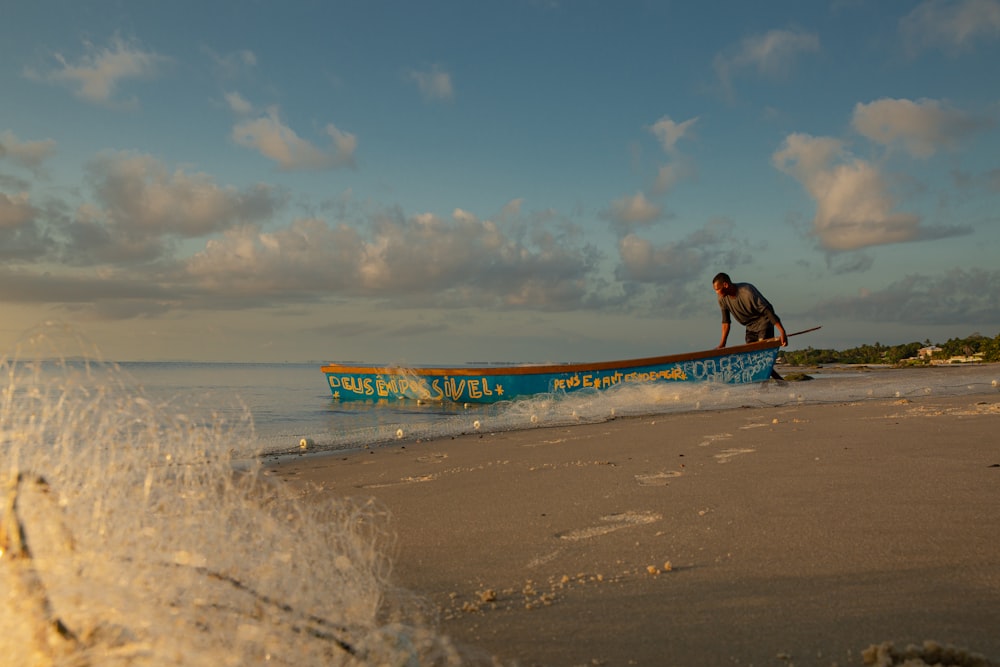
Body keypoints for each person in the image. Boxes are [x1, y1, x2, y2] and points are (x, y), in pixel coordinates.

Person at [712, 272, 787, 380]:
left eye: (717, 289)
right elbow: (725, 322)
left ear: (725, 285)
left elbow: (768, 311)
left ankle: (766, 389)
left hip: (764, 322)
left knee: (761, 359)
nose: (716, 293)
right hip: (750, 327)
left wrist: (782, 332)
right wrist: (722, 344)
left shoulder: (747, 292)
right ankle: (781, 383)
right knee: (752, 359)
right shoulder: (722, 299)